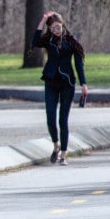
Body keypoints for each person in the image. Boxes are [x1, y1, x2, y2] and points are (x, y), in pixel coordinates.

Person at [31, 11, 88, 166]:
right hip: (51, 82)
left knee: (63, 120)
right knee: (50, 118)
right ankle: (56, 144)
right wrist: (43, 20)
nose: (57, 30)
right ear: (50, 29)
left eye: (59, 27)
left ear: (63, 25)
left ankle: (64, 153)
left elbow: (78, 65)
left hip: (67, 83)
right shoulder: (48, 40)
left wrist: (83, 84)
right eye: (54, 28)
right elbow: (35, 41)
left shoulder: (71, 42)